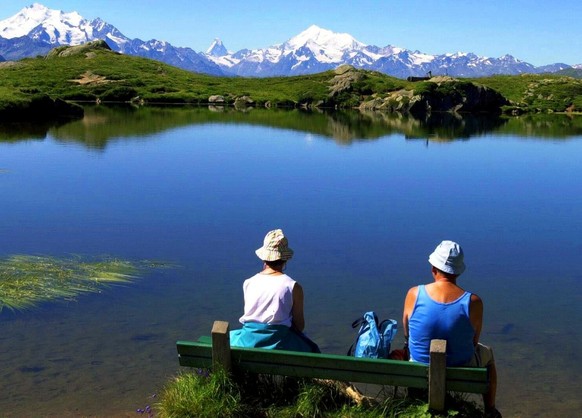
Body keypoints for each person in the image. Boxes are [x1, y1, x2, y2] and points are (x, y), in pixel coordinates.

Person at [402, 240, 501, 418]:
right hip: (460, 367)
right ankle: (490, 409)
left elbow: (407, 333)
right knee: (489, 355)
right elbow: (474, 341)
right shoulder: (473, 302)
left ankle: (416, 398)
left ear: (433, 269)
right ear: (458, 272)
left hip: (419, 367)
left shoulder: (413, 294)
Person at [230, 229, 319, 353]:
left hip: (248, 341)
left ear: (264, 258)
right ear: (285, 260)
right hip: (278, 342)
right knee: (312, 349)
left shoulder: (249, 282)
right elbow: (299, 326)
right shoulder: (293, 287)